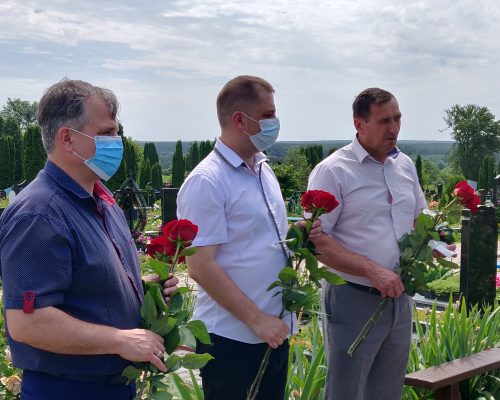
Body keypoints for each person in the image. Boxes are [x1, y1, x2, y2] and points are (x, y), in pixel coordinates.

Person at [0, 79, 178, 400]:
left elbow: (87, 281)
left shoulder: (99, 199)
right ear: (67, 138)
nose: (117, 141)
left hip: (110, 386)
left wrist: (141, 286)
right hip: (67, 389)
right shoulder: (38, 215)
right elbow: (29, 322)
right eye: (107, 133)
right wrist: (119, 340)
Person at [177, 75, 320, 399]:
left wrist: (298, 235)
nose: (275, 122)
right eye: (268, 115)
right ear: (240, 119)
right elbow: (200, 266)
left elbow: (259, 240)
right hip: (233, 339)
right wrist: (256, 320)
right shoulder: (207, 181)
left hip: (271, 331)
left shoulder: (262, 168)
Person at [308, 88, 427, 400]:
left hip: (399, 298)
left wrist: (437, 244)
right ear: (359, 124)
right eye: (384, 120)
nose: (394, 128)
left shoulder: (404, 166)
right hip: (353, 297)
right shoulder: (333, 170)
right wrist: (372, 269)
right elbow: (315, 240)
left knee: (387, 391)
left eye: (397, 118)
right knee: (347, 392)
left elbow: (418, 218)